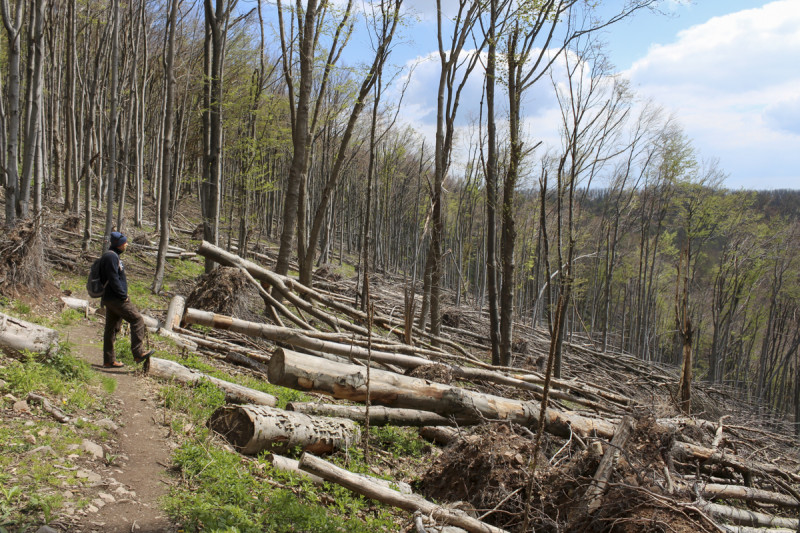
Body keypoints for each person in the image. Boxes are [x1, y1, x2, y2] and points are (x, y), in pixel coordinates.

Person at [99, 231, 154, 368]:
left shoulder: (112, 256)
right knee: (137, 320)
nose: (127, 245)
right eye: (125, 243)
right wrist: (123, 296)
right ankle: (138, 353)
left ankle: (109, 360)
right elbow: (113, 279)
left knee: (111, 329)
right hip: (116, 298)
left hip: (109, 298)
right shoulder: (111, 257)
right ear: (118, 244)